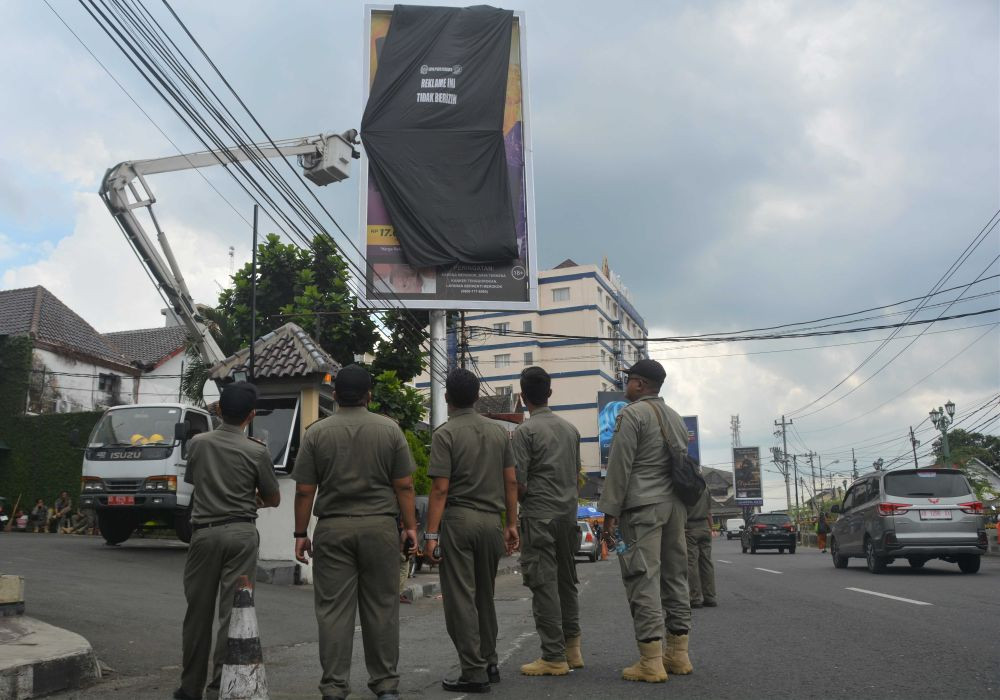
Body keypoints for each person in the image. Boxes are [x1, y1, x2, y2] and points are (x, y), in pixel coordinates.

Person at [293, 364, 416, 700]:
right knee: (382, 607)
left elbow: (305, 489)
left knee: (333, 610)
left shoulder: (317, 432)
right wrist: (411, 528)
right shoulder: (390, 431)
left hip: (333, 529)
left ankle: (334, 687)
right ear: (369, 395)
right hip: (380, 528)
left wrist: (300, 533)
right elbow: (404, 485)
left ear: (334, 395)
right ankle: (386, 685)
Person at [174, 381, 281, 700]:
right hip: (242, 533)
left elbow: (196, 481)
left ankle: (189, 687)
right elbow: (273, 497)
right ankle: (219, 685)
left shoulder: (198, 444)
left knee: (197, 613)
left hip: (204, 533)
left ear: (218, 409)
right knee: (232, 612)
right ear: (251, 415)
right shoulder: (257, 450)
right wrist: (252, 501)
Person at [423, 368, 519, 694]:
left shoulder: (444, 434)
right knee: (485, 596)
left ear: (448, 397)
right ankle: (490, 660)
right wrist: (511, 523)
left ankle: (473, 671)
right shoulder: (498, 434)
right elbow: (510, 482)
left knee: (461, 598)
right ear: (478, 396)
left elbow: (439, 489)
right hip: (493, 522)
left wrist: (431, 534)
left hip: (460, 521)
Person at [598, 359, 693, 683]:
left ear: (639, 384)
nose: (625, 385)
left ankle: (650, 661)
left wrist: (609, 515)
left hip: (642, 508)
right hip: (675, 508)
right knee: (675, 577)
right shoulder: (677, 418)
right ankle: (679, 654)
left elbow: (620, 467)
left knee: (643, 578)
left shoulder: (631, 414)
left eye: (628, 380)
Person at [512, 366, 583, 677]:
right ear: (550, 393)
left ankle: (553, 656)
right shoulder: (571, 430)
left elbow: (519, 482)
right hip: (568, 514)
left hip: (538, 515)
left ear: (522, 396)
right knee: (567, 581)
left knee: (543, 584)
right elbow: (577, 474)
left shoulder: (525, 432)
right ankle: (573, 650)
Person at [685, 487, 717, 608]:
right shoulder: (705, 488)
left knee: (692, 563)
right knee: (707, 562)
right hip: (705, 527)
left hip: (690, 528)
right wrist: (712, 527)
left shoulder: (685, 487)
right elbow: (709, 511)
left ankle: (695, 598)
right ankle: (710, 597)